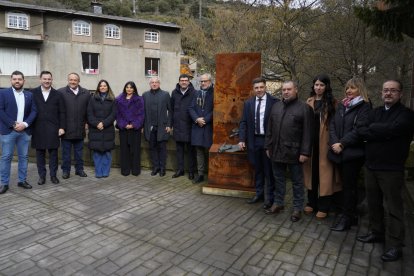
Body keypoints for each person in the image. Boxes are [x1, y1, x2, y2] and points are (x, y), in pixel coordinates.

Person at [356, 80, 414, 262]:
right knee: (374, 203)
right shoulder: (376, 112)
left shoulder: (407, 115)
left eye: (393, 91)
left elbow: (396, 129)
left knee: (394, 208)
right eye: (386, 90)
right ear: (381, 93)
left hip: (391, 169)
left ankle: (396, 246)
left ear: (400, 94)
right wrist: (382, 132)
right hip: (371, 166)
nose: (388, 93)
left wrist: (374, 130)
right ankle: (377, 232)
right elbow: (361, 129)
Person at [264, 80, 313, 222]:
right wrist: (268, 146)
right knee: (278, 179)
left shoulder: (304, 108)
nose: (286, 92)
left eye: (289, 89)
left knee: (297, 182)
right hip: (276, 151)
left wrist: (305, 152)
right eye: (284, 89)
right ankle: (278, 203)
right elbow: (270, 129)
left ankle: (297, 208)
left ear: (295, 90)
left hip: (295, 152)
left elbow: (308, 133)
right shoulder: (276, 107)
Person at [329, 77, 371, 231]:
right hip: (338, 151)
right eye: (347, 88)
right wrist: (334, 142)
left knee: (349, 187)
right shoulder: (342, 105)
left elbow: (360, 130)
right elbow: (332, 125)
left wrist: (342, 143)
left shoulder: (365, 107)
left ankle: (347, 218)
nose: (348, 91)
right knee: (345, 186)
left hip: (352, 154)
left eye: (352, 88)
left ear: (360, 89)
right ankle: (349, 215)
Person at [303, 74, 340, 219]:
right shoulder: (309, 101)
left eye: (321, 85)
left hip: (325, 144)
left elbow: (336, 125)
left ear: (326, 87)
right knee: (311, 174)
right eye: (316, 85)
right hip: (310, 144)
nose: (318, 87)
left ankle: (324, 205)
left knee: (325, 175)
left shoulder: (333, 103)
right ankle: (312, 203)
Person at [238, 77, 278, 209]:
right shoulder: (248, 103)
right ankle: (259, 194)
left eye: (261, 87)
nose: (259, 90)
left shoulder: (274, 102)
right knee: (257, 169)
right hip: (253, 140)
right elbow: (243, 122)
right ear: (253, 89)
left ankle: (270, 198)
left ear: (265, 87)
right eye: (256, 88)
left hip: (268, 141)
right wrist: (242, 139)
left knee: (269, 171)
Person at [0, 71, 37, 194]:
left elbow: (34, 111)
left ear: (23, 81)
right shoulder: (3, 93)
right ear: (11, 80)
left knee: (23, 157)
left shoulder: (29, 95)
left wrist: (25, 124)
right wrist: (13, 124)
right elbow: (1, 111)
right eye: (15, 79)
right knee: (6, 157)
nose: (17, 81)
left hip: (24, 131)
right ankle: (4, 183)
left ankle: (22, 180)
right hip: (8, 131)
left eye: (19, 79)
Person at [31, 71, 66, 185]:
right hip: (38, 128)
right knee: (40, 154)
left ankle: (53, 175)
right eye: (44, 79)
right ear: (40, 79)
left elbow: (62, 112)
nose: (47, 81)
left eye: (49, 79)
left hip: (53, 128)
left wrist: (61, 127)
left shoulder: (58, 94)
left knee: (53, 154)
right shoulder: (33, 93)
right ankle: (42, 176)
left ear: (52, 80)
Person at [58, 73, 91, 179]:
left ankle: (79, 170)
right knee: (66, 153)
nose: (73, 82)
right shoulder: (61, 92)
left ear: (79, 81)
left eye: (75, 80)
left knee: (79, 153)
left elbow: (88, 111)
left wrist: (87, 123)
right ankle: (66, 171)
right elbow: (58, 111)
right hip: (66, 129)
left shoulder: (86, 93)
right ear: (68, 80)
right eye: (71, 80)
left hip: (80, 129)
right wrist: (60, 127)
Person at [87, 80, 117, 178]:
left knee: (107, 152)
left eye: (105, 86)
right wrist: (97, 124)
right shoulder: (92, 99)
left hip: (107, 129)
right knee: (97, 152)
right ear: (98, 88)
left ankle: (105, 171)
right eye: (101, 86)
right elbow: (89, 114)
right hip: (95, 129)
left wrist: (104, 123)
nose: (103, 87)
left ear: (108, 87)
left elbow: (113, 114)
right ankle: (98, 171)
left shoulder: (112, 99)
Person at [143, 77, 171, 177]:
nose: (154, 84)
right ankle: (156, 167)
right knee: (152, 148)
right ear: (150, 84)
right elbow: (143, 112)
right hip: (149, 127)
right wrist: (143, 126)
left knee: (162, 148)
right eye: (152, 82)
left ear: (159, 83)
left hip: (162, 127)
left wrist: (169, 124)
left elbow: (170, 111)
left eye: (156, 82)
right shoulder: (145, 95)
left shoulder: (165, 94)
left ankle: (162, 168)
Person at [188, 73, 214, 184]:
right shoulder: (196, 93)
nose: (203, 83)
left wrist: (205, 119)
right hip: (197, 126)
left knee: (210, 151)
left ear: (210, 81)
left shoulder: (215, 93)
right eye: (201, 81)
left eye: (205, 81)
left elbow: (216, 109)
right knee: (199, 152)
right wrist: (197, 119)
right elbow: (191, 108)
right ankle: (200, 174)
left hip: (208, 127)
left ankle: (212, 174)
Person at [115, 81, 144, 176]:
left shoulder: (139, 99)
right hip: (123, 128)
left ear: (134, 89)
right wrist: (124, 124)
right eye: (127, 87)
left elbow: (141, 114)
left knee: (135, 150)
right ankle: (125, 170)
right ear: (125, 88)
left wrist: (134, 124)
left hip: (135, 129)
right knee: (124, 150)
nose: (129, 89)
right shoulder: (119, 99)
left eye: (131, 87)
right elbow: (117, 114)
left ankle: (135, 170)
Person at [171, 74, 196, 180]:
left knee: (191, 151)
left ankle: (191, 171)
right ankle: (180, 170)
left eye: (186, 80)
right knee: (179, 150)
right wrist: (170, 124)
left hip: (189, 125)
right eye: (182, 80)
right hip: (177, 125)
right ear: (179, 81)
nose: (184, 82)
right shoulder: (174, 92)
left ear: (189, 82)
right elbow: (171, 110)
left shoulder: (194, 93)